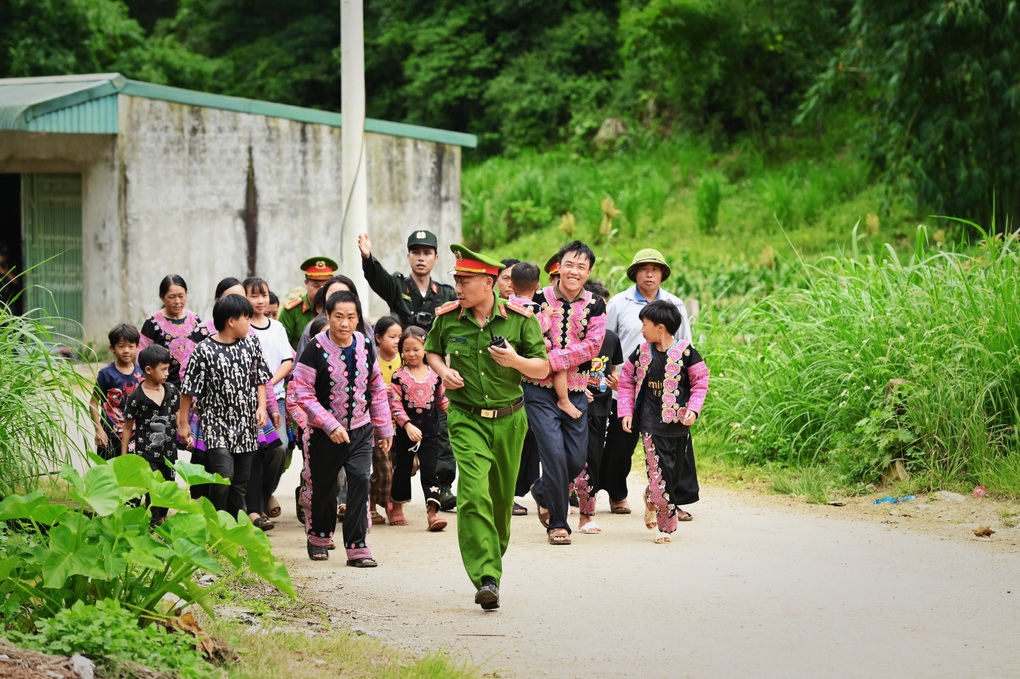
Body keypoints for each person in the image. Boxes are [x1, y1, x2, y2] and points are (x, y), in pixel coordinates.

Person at [425, 244, 548, 610]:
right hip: (465, 417)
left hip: (510, 421)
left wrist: (515, 360)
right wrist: (443, 371)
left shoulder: (520, 319)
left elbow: (542, 369)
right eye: (456, 280)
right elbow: (432, 350)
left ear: (488, 282)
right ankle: (486, 577)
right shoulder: (447, 318)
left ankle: (492, 561)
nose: (458, 288)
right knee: (473, 492)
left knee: (498, 504)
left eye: (465, 281)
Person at [359, 228, 459, 510]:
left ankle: (443, 487)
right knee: (403, 437)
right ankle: (397, 496)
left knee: (440, 430)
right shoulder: (399, 287)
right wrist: (368, 258)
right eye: (416, 252)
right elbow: (378, 280)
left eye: (427, 253)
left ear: (436, 257)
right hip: (403, 374)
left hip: (434, 373)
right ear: (408, 256)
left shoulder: (446, 293)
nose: (421, 258)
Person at [292, 290, 394, 566]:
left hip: (360, 430)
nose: (345, 323)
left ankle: (357, 545)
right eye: (338, 317)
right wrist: (329, 423)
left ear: (358, 318)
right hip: (323, 434)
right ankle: (319, 536)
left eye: (351, 317)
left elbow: (375, 386)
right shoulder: (315, 348)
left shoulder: (364, 344)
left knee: (360, 480)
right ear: (327, 315)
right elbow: (302, 392)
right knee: (324, 487)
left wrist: (384, 427)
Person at [525, 241, 606, 546]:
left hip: (576, 390)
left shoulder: (596, 304)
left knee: (575, 459)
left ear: (588, 272)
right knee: (554, 454)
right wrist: (542, 356)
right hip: (538, 388)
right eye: (569, 264)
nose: (574, 271)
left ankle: (543, 490)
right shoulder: (537, 297)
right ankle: (558, 524)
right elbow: (527, 334)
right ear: (558, 265)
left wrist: (555, 359)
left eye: (581, 267)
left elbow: (593, 345)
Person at [602, 248, 692, 516]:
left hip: (665, 391)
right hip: (626, 387)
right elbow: (607, 342)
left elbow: (686, 345)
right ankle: (617, 495)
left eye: (655, 268)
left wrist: (685, 390)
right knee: (621, 445)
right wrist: (611, 375)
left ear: (662, 274)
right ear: (635, 274)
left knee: (672, 449)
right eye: (643, 268)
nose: (649, 273)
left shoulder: (675, 305)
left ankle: (669, 500)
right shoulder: (619, 303)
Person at [616, 300, 709, 544]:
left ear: (660, 327)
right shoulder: (641, 352)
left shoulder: (687, 352)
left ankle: (651, 495)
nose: (641, 329)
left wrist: (694, 409)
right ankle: (665, 527)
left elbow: (701, 382)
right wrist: (626, 412)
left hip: (678, 426)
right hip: (650, 425)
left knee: (673, 476)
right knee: (659, 473)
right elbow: (626, 381)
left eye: (644, 324)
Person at [178, 294, 271, 517]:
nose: (250, 323)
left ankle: (230, 526)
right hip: (215, 423)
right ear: (231, 321)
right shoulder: (204, 350)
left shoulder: (251, 344)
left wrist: (261, 406)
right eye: (246, 318)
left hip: (246, 423)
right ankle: (215, 521)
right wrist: (183, 423)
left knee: (240, 481)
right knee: (223, 475)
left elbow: (260, 378)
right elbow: (188, 389)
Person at [572, 281, 623, 534]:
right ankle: (555, 498)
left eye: (604, 309)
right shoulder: (573, 335)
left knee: (592, 459)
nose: (599, 315)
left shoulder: (612, 339)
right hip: (573, 405)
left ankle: (586, 515)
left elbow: (612, 370)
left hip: (601, 408)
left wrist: (615, 385)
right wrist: (578, 389)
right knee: (570, 459)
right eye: (595, 309)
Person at [389, 325, 450, 532]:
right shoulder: (398, 376)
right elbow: (395, 405)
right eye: (406, 349)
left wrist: (454, 411)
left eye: (416, 349)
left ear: (425, 348)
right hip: (406, 434)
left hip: (431, 433)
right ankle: (396, 506)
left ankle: (432, 514)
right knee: (402, 470)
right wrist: (406, 425)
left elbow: (442, 401)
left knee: (430, 472)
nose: (411, 354)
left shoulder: (435, 375)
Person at [243, 276, 292, 530]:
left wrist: (268, 382)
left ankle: (264, 493)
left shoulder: (277, 327)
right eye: (254, 295)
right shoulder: (241, 326)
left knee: (279, 448)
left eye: (263, 295)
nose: (260, 300)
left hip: (277, 399)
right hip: (247, 401)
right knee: (252, 453)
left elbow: (287, 360)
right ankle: (253, 506)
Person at [121, 344, 181, 526]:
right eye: (163, 369)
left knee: (167, 485)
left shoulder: (172, 392)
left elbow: (178, 418)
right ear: (148, 370)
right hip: (146, 453)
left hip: (169, 453)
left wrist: (185, 434)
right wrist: (124, 456)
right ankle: (154, 521)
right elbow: (127, 426)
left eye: (168, 368)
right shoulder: (136, 397)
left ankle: (160, 517)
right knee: (151, 488)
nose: (167, 373)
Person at [507, 262, 542, 516]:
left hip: (506, 383)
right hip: (534, 383)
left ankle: (507, 494)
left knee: (510, 442)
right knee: (524, 443)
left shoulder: (500, 308)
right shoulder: (538, 312)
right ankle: (511, 493)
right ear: (538, 287)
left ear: (510, 284)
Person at [90, 323, 144, 460]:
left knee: (134, 475)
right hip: (111, 436)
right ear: (112, 348)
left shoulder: (143, 373)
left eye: (131, 346)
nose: (126, 351)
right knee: (108, 474)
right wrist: (99, 429)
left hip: (137, 436)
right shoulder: (106, 374)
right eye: (121, 346)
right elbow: (93, 403)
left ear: (137, 347)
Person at [138, 274, 202, 389]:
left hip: (192, 386)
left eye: (181, 296)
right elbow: (141, 358)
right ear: (162, 297)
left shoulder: (195, 320)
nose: (177, 301)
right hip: (162, 388)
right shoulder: (152, 323)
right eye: (171, 297)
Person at [371, 315, 403, 525]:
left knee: (406, 465)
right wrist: (383, 389)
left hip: (403, 423)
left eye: (400, 337)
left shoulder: (406, 359)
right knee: (383, 469)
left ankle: (394, 502)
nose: (397, 341)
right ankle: (372, 503)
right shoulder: (371, 361)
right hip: (379, 425)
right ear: (378, 338)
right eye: (392, 336)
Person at [279, 256, 338, 349]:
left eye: (326, 286)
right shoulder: (291, 311)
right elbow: (282, 343)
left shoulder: (339, 308)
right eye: (316, 285)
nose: (322, 290)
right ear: (306, 283)